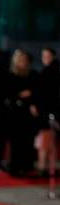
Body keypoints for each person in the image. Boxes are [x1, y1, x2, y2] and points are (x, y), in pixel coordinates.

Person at [6, 49, 39, 176]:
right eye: (20, 59)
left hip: (28, 113)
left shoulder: (32, 74)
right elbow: (8, 93)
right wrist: (20, 95)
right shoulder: (11, 75)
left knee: (28, 140)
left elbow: (37, 91)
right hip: (15, 113)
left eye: (25, 60)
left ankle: (27, 165)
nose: (23, 62)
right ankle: (15, 166)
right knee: (16, 140)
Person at [35, 47, 60, 175]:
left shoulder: (51, 72)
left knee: (46, 140)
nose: (44, 58)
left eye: (47, 56)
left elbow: (45, 93)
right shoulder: (50, 70)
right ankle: (48, 166)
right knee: (50, 140)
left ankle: (43, 166)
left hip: (49, 111)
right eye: (43, 56)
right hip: (49, 110)